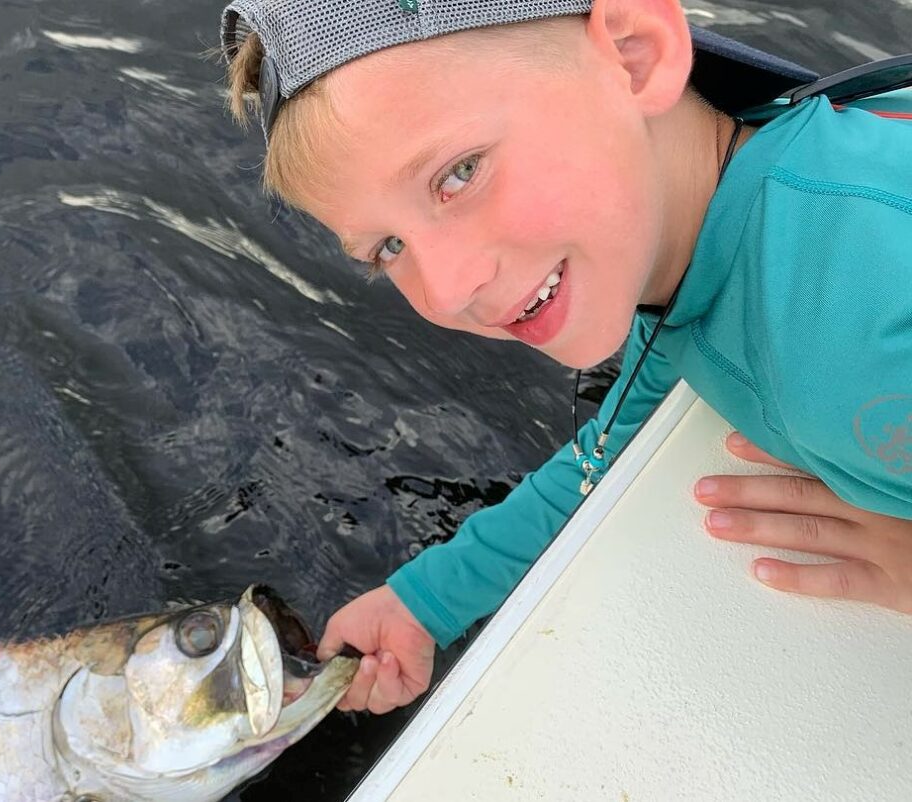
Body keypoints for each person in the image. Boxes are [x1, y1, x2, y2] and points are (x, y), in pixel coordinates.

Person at [217, 0, 912, 715]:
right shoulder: (690, 247)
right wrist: (424, 602)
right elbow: (607, 448)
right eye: (387, 249)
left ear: (637, 55)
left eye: (460, 173)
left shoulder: (859, 336)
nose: (452, 289)